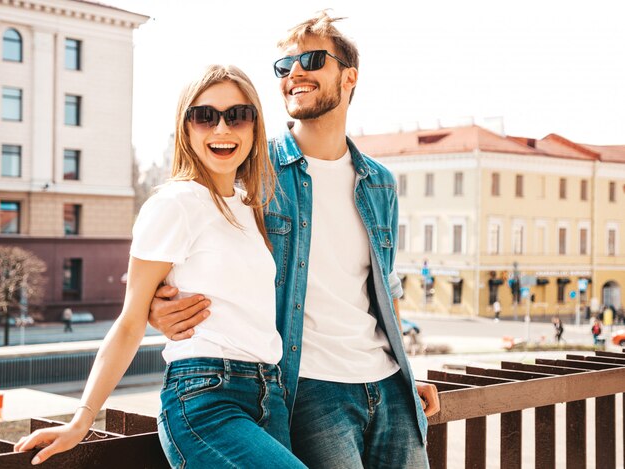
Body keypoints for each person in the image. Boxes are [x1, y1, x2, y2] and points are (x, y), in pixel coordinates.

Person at [149, 11, 440, 468]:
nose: (294, 73)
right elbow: (180, 242)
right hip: (308, 388)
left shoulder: (379, 182)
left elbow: (385, 286)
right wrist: (156, 306)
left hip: (389, 386)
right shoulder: (250, 167)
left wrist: (407, 372)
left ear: (350, 77)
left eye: (311, 59)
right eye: (284, 67)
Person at [14, 65, 305, 468]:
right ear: (185, 130)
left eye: (237, 116)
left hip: (269, 396)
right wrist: (81, 419)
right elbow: (131, 321)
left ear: (255, 128)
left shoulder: (249, 208)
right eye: (205, 116)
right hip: (206, 399)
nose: (222, 129)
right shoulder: (175, 204)